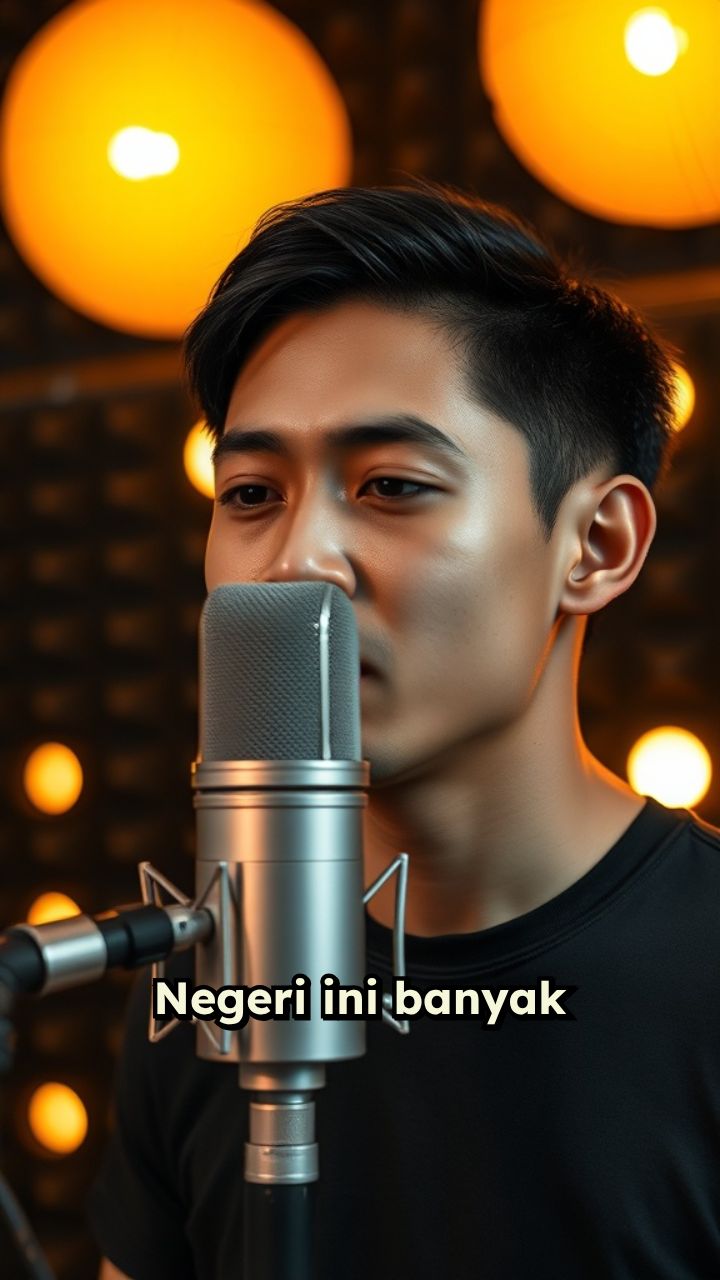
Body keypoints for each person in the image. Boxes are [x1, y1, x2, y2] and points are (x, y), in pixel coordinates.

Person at [88, 182, 720, 1279]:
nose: (296, 562)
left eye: (390, 484)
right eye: (250, 494)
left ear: (597, 544)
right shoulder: (209, 990)